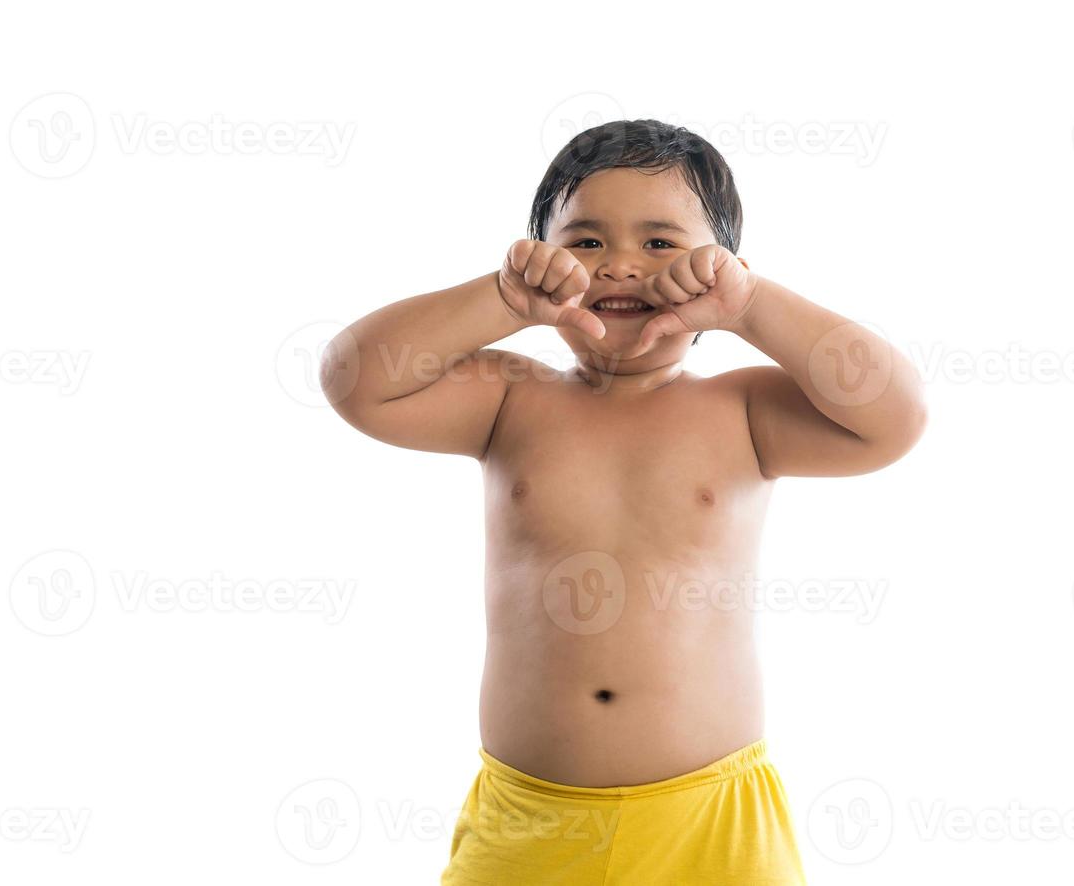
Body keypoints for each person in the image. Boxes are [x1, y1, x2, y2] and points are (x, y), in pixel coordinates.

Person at [321, 119, 927, 884]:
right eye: (585, 242)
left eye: (661, 244)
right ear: (541, 261)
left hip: (710, 827)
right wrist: (501, 300)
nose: (621, 267)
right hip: (529, 821)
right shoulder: (508, 401)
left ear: (721, 267)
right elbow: (354, 380)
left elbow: (893, 417)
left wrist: (753, 306)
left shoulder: (742, 413)